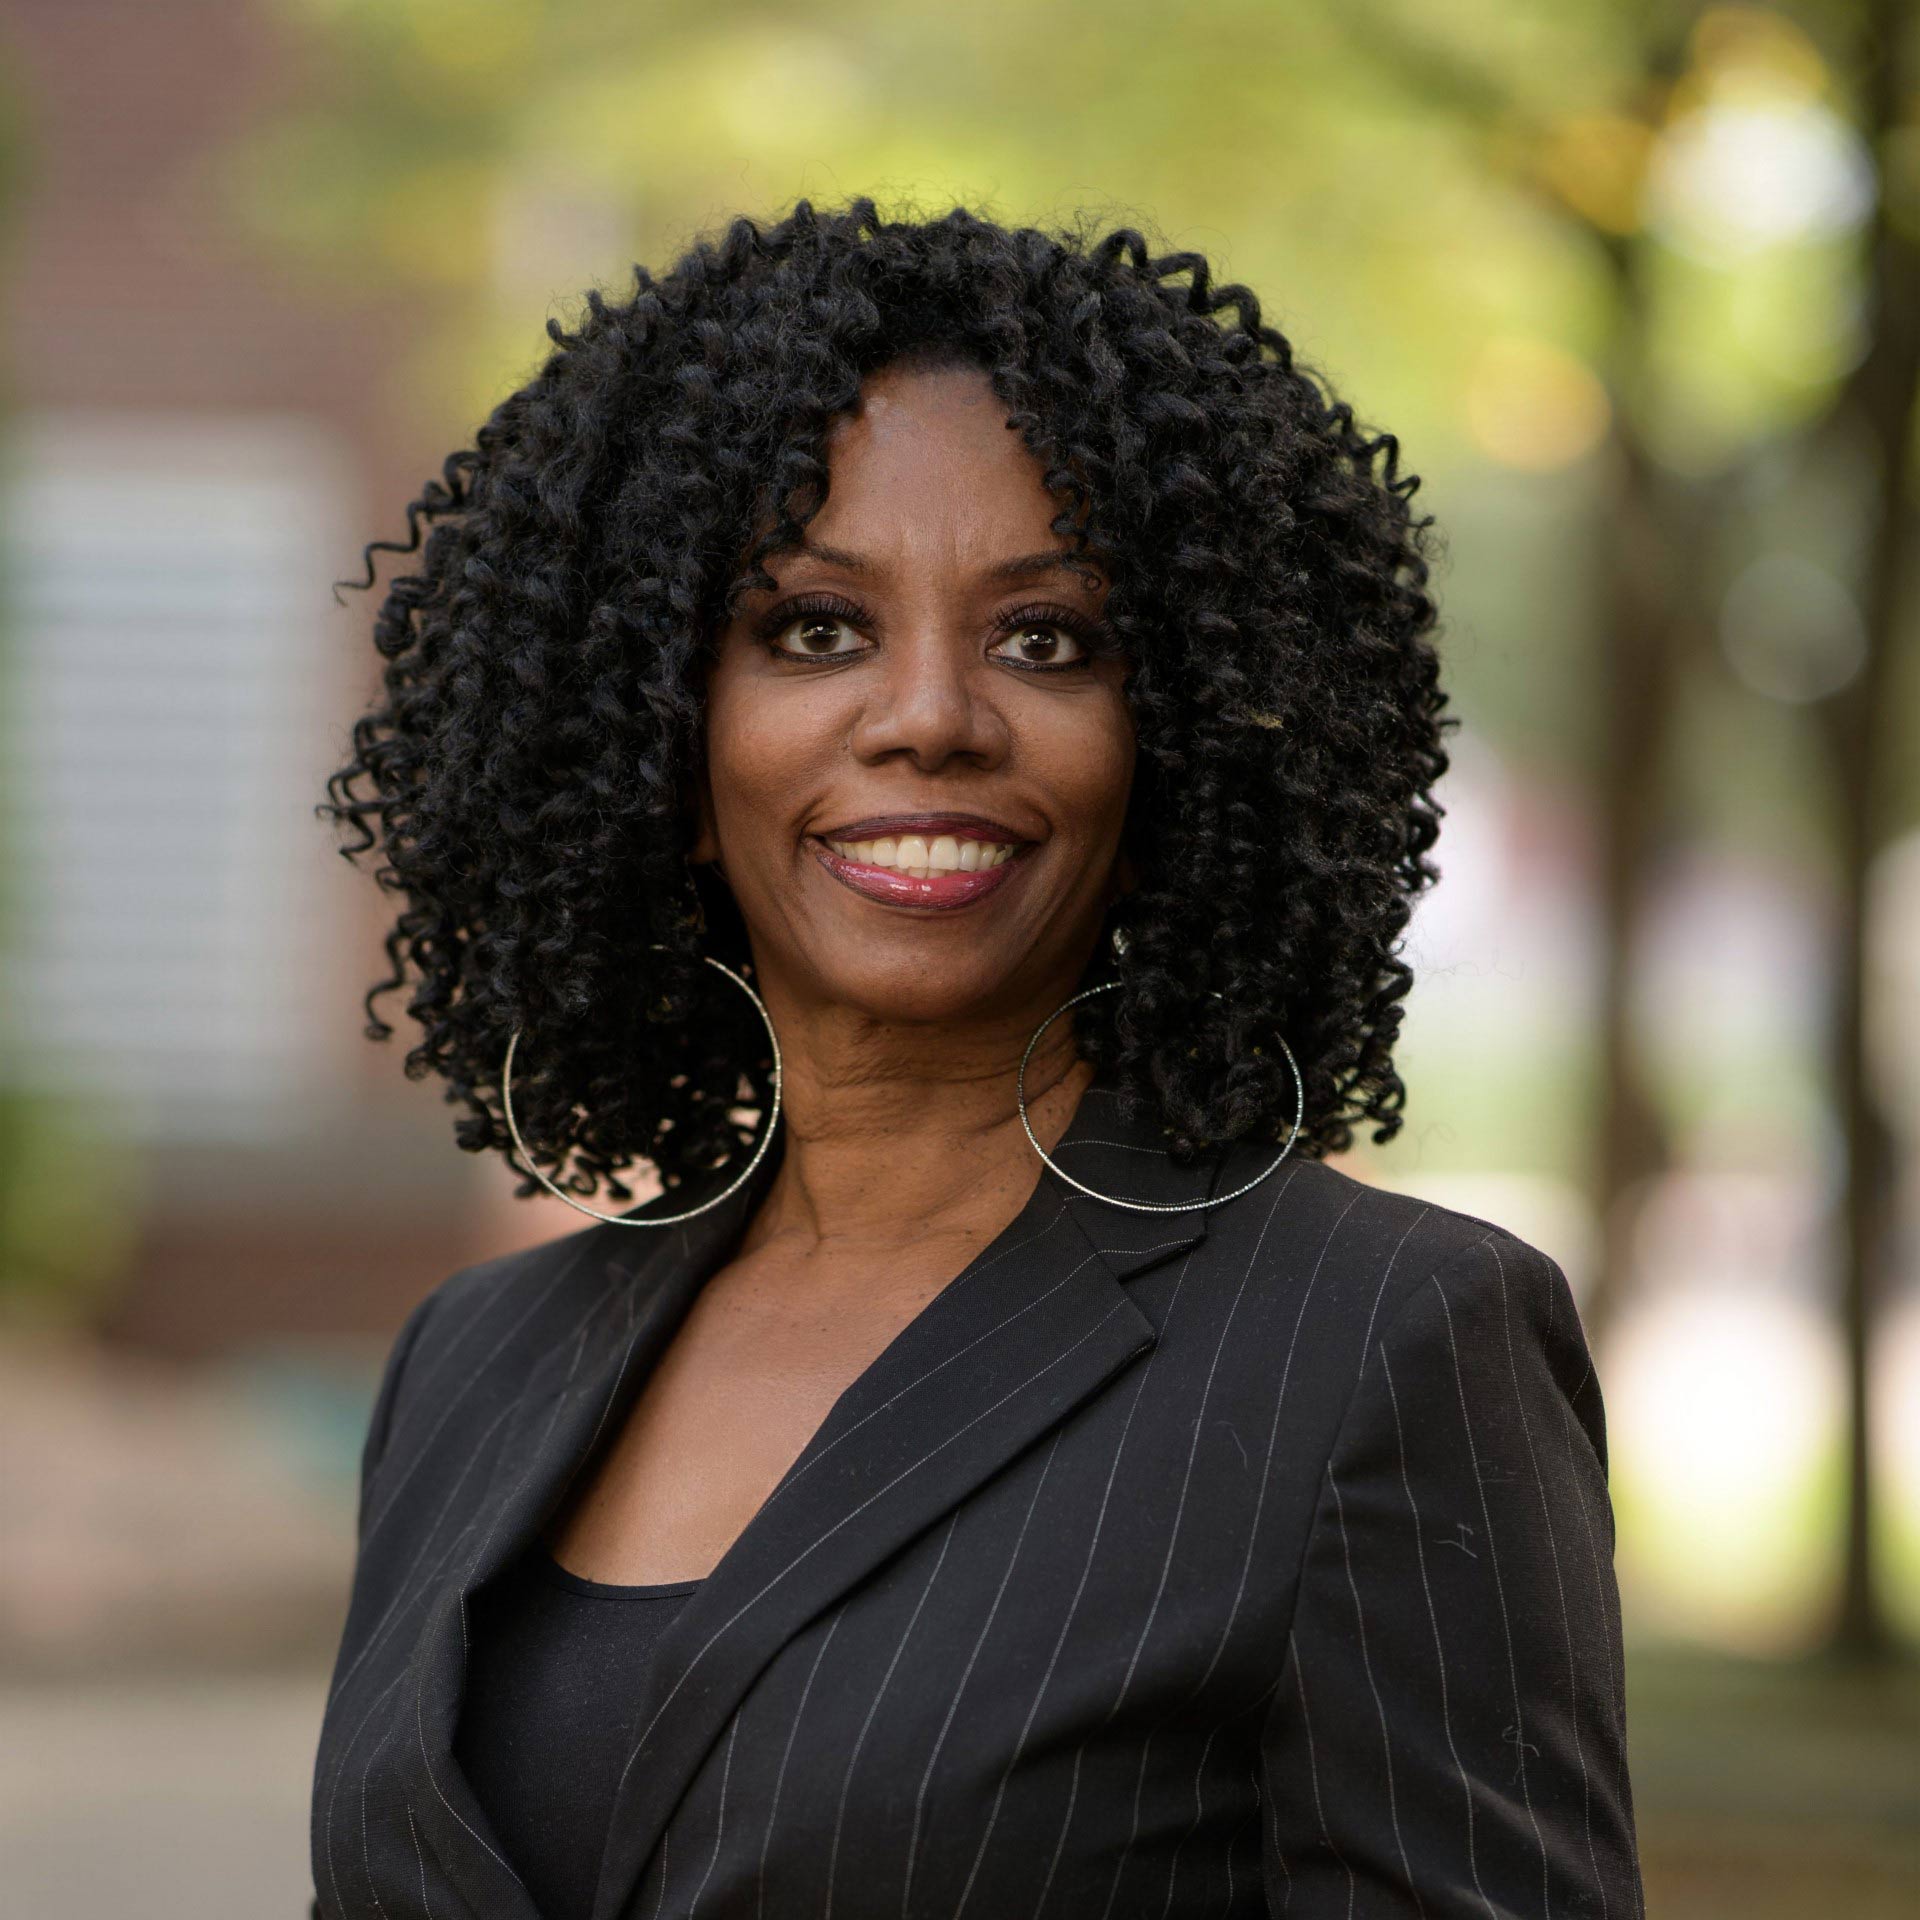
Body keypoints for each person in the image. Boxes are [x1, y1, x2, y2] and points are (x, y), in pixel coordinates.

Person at [308, 197, 1645, 1920]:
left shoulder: (1380, 1349)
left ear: (1170, 750)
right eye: (812, 629)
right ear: (650, 725)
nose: (930, 712)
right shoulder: (471, 1365)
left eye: (1048, 638)